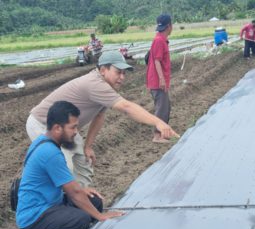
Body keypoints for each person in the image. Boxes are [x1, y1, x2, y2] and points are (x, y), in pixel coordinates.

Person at [26, 51, 179, 187]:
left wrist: (88, 146)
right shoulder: (95, 84)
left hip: (67, 128)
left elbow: (99, 116)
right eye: (118, 72)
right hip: (43, 124)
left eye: (124, 73)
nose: (122, 77)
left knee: (83, 164)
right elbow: (126, 107)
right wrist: (158, 122)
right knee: (64, 169)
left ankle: (81, 200)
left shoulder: (105, 85)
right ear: (103, 69)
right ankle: (55, 205)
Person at [18, 101, 124, 229]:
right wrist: (101, 217)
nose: (76, 132)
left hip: (51, 202)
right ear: (57, 128)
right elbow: (74, 193)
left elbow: (70, 186)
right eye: (72, 127)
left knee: (94, 201)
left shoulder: (44, 141)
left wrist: (84, 193)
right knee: (81, 219)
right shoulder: (50, 152)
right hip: (34, 215)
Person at [146, 14, 173, 143]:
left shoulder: (162, 40)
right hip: (157, 82)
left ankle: (163, 133)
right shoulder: (159, 40)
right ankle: (157, 136)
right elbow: (157, 61)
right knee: (161, 108)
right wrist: (162, 79)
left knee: (166, 107)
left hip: (160, 81)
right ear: (169, 26)